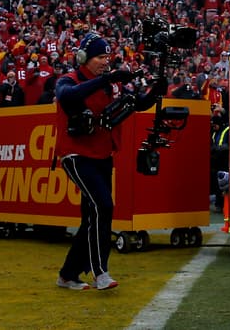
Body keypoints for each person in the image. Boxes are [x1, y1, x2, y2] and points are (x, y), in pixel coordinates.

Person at [53, 32, 154, 292]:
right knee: (104, 205)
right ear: (84, 57)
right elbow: (67, 96)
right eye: (99, 57)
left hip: (102, 155)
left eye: (107, 57)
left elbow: (136, 103)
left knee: (91, 217)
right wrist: (106, 80)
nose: (104, 62)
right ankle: (101, 272)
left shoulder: (108, 85)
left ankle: (67, 275)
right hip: (75, 155)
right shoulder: (70, 79)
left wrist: (157, 90)